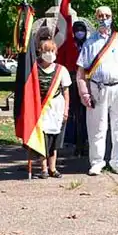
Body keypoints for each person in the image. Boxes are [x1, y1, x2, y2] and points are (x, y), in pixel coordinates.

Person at [76, 6, 118, 176]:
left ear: (112, 17)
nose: (104, 18)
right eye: (100, 15)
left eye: (107, 15)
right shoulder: (89, 43)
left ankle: (117, 161)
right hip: (97, 88)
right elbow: (81, 72)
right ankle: (96, 162)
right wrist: (84, 93)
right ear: (96, 18)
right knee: (97, 127)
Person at [34, 39, 71, 178]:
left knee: (54, 140)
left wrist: (66, 110)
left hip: (56, 107)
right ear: (40, 52)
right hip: (40, 108)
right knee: (43, 139)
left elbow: (66, 92)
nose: (49, 54)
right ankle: (43, 169)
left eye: (51, 51)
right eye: (46, 51)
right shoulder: (34, 68)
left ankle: (53, 168)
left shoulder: (61, 70)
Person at [66, 20, 89, 157]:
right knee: (75, 115)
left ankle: (84, 142)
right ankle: (75, 142)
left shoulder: (89, 44)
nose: (80, 32)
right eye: (77, 30)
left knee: (86, 115)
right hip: (73, 82)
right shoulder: (69, 44)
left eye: (82, 29)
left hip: (87, 82)